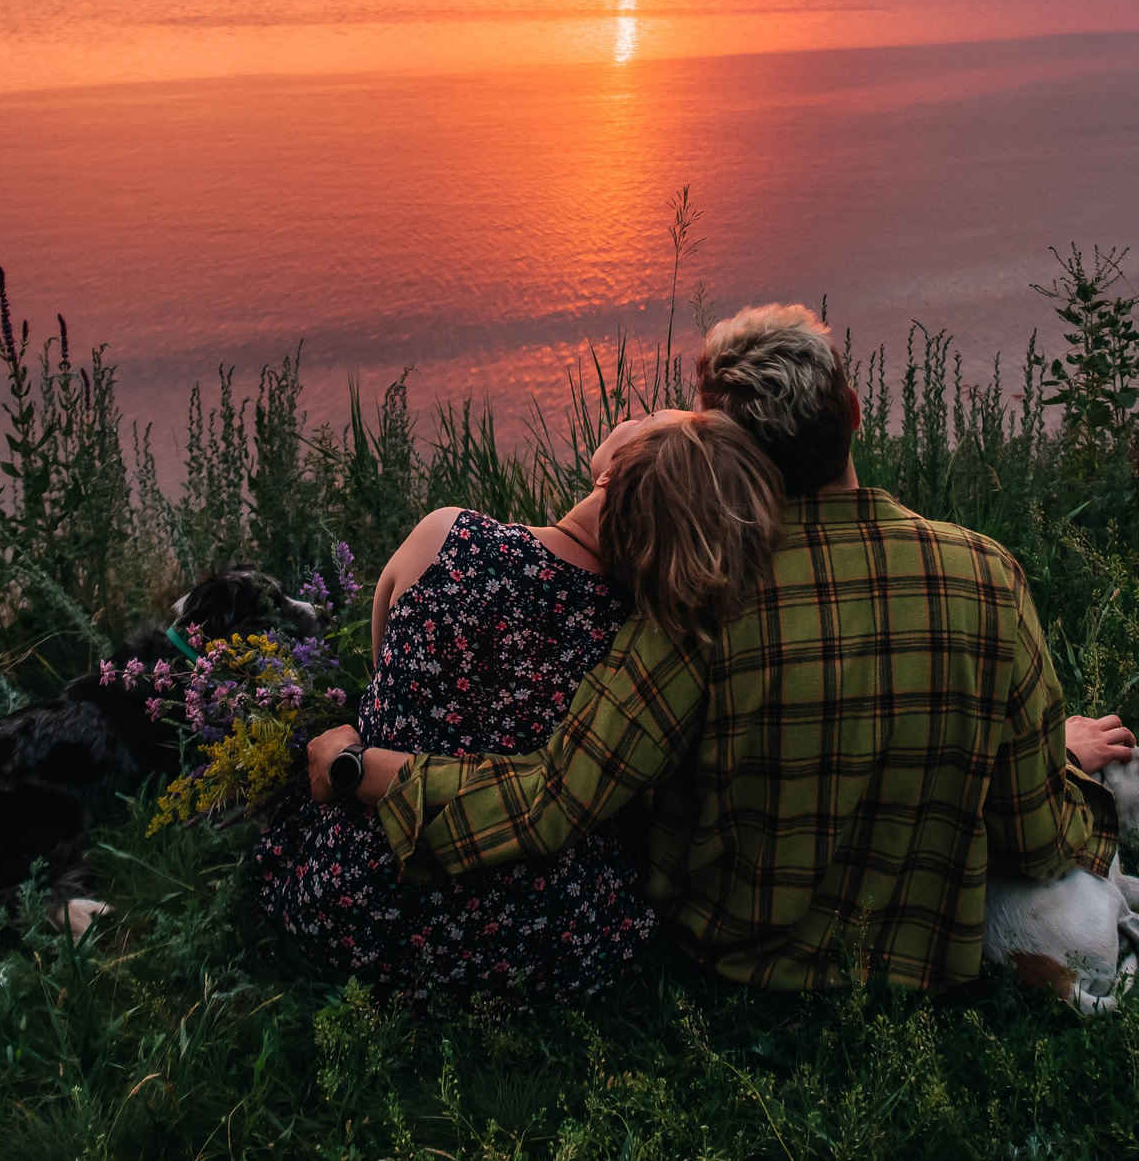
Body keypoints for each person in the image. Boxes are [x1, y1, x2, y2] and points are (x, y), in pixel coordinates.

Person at [308, 304, 1132, 992]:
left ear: (725, 451)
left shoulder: (695, 606)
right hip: (923, 969)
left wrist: (366, 768)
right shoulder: (988, 576)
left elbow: (551, 797)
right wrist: (1051, 761)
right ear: (852, 409)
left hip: (739, 968)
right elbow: (1038, 839)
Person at [251, 408, 783, 1004]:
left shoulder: (445, 537)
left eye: (659, 418)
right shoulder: (641, 645)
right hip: (549, 947)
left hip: (360, 910)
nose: (645, 410)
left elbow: (383, 691)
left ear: (613, 477)